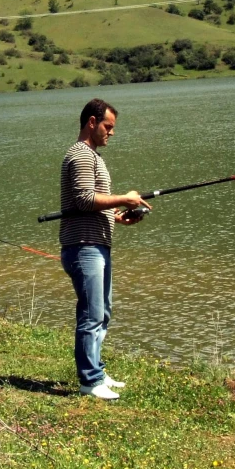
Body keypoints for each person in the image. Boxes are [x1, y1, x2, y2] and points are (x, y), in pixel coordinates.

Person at [58, 99, 151, 400]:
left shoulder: (92, 156)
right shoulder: (82, 156)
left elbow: (90, 205)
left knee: (102, 312)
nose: (111, 133)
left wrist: (118, 217)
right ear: (92, 122)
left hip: (96, 245)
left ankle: (96, 369)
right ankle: (89, 381)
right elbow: (85, 199)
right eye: (108, 127)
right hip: (84, 248)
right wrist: (125, 197)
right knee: (91, 313)